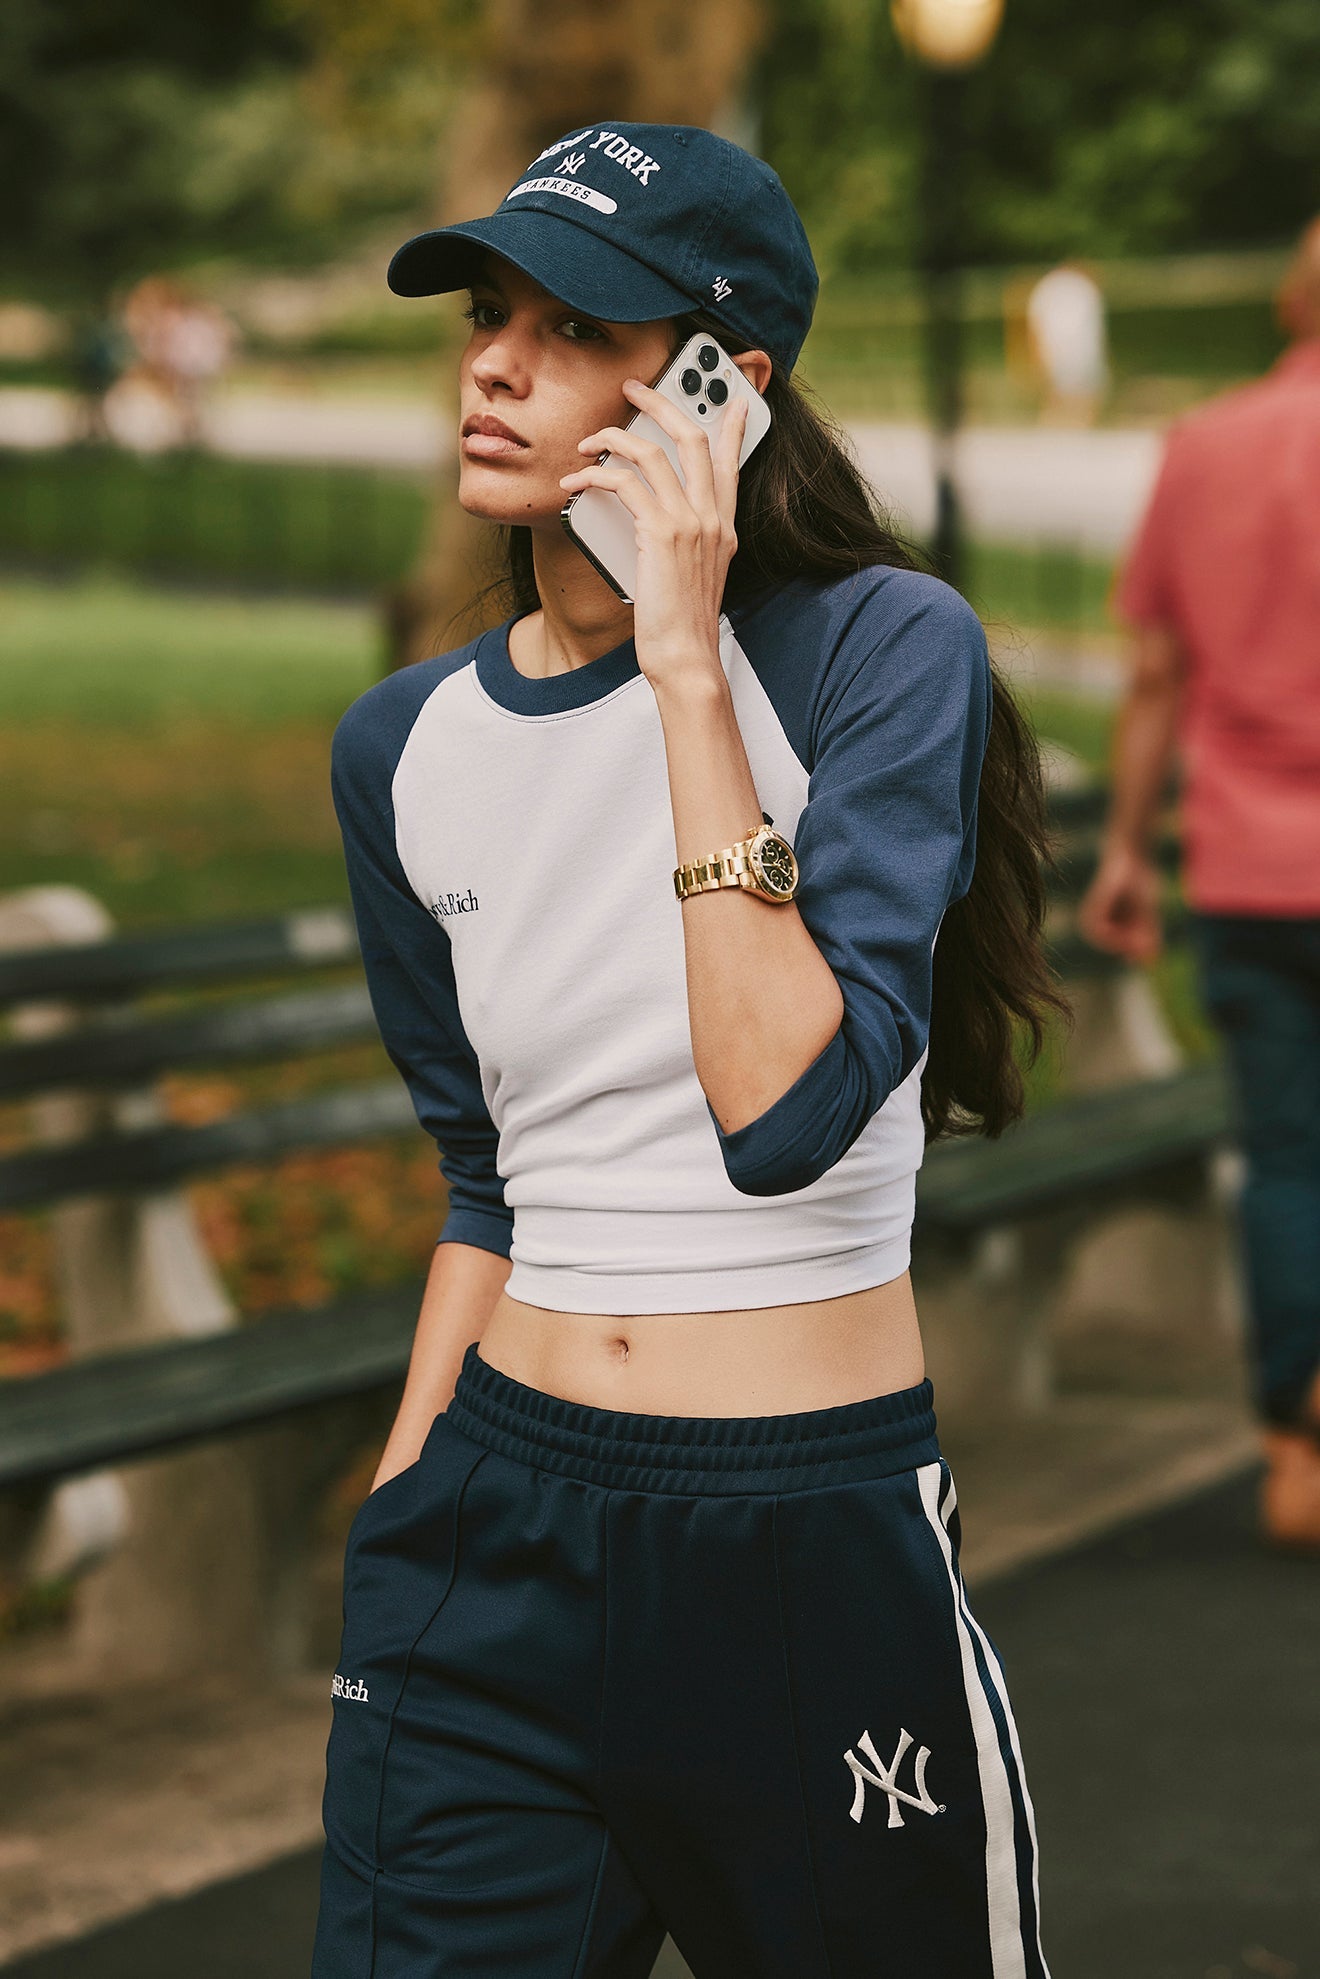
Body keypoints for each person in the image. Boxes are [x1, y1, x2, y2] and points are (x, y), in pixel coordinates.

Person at [313, 121, 1059, 1976]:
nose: (493, 359)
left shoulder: (888, 654)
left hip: (798, 1544)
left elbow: (789, 1106)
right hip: (489, 1543)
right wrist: (406, 1512)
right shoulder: (399, 750)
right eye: (492, 310)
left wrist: (681, 658)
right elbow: (483, 1173)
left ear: (724, 385)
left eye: (574, 324)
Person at [1080, 217, 1320, 1554]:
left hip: (1250, 864)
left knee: (1286, 1157)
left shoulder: (1207, 446)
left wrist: (1126, 846)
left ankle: (1295, 1442)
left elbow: (1159, 672)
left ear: (1290, 301)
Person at [1024, 263, 1109, 426]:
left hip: (1062, 351)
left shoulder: (1049, 288)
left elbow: (1035, 324)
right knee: (1075, 398)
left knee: (1067, 397)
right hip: (1074, 352)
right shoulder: (1079, 287)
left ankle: (1061, 428)